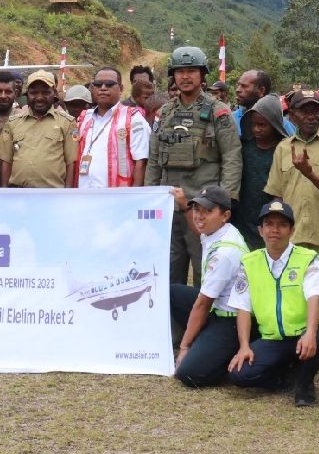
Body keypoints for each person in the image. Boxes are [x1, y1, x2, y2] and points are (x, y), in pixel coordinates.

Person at [265, 89, 319, 378]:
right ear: (292, 115)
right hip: (293, 234)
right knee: (295, 294)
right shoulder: (283, 149)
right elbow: (276, 194)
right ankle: (299, 345)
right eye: (304, 110)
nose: (312, 115)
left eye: (316, 109)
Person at [146, 46, 241, 287]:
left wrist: (226, 199)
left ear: (202, 75)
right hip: (169, 207)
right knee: (168, 274)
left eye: (191, 71)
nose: (185, 77)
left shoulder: (218, 111)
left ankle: (204, 324)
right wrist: (149, 196)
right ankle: (174, 325)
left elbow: (231, 154)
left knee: (205, 273)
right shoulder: (165, 113)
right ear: (173, 76)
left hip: (204, 208)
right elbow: (155, 159)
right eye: (180, 71)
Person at [228, 200, 319, 407]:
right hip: (273, 337)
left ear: (291, 230)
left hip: (305, 331)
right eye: (269, 224)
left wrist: (310, 333)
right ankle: (285, 376)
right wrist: (244, 347)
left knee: (318, 338)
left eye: (282, 225)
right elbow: (243, 307)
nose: (274, 230)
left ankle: (304, 386)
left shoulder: (308, 258)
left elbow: (314, 297)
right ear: (260, 230)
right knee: (239, 375)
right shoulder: (249, 262)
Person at [171, 186, 248, 388]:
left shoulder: (225, 253)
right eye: (197, 209)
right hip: (217, 309)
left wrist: (185, 347)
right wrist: (184, 207)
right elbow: (199, 232)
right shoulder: (219, 231)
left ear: (225, 215)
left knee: (188, 374)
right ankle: (205, 342)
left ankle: (222, 355)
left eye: (208, 211)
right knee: (171, 293)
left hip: (230, 320)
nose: (200, 216)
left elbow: (203, 304)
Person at [0, 71, 77, 188]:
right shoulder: (13, 122)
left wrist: (67, 195)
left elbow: (71, 163)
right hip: (18, 195)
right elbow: (6, 161)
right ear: (27, 94)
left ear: (53, 93)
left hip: (53, 195)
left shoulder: (67, 123)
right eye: (34, 92)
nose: (39, 97)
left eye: (45, 92)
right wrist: (5, 192)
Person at [74, 67, 150, 189]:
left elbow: (141, 163)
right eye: (98, 84)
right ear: (92, 88)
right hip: (83, 196)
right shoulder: (84, 118)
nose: (103, 88)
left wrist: (135, 199)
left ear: (121, 89)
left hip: (118, 199)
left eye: (109, 84)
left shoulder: (133, 118)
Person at [234, 93, 287, 250]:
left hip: (270, 213)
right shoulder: (244, 148)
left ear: (274, 124)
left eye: (262, 125)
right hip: (243, 214)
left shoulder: (283, 149)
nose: (257, 129)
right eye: (254, 124)